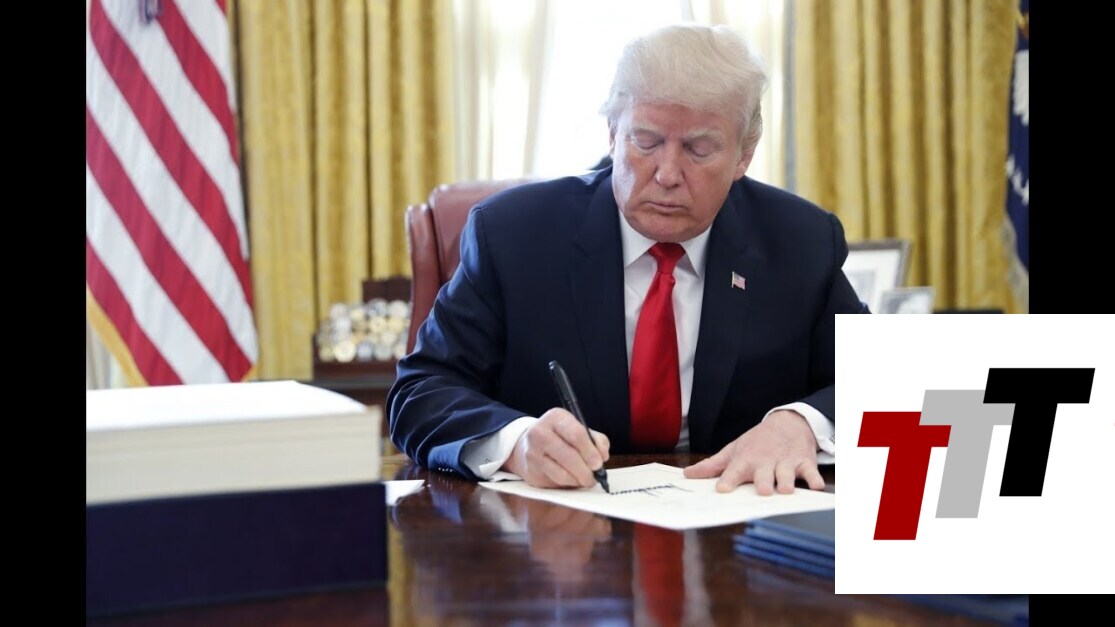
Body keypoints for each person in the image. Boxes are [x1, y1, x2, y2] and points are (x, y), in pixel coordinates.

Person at [388, 23, 868, 496]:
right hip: (560, 525)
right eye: (646, 141)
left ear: (744, 155)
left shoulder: (799, 242)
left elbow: (882, 382)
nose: (667, 173)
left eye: (699, 149)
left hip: (738, 518)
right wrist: (515, 442)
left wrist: (803, 423)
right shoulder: (515, 235)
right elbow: (421, 391)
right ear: (613, 134)